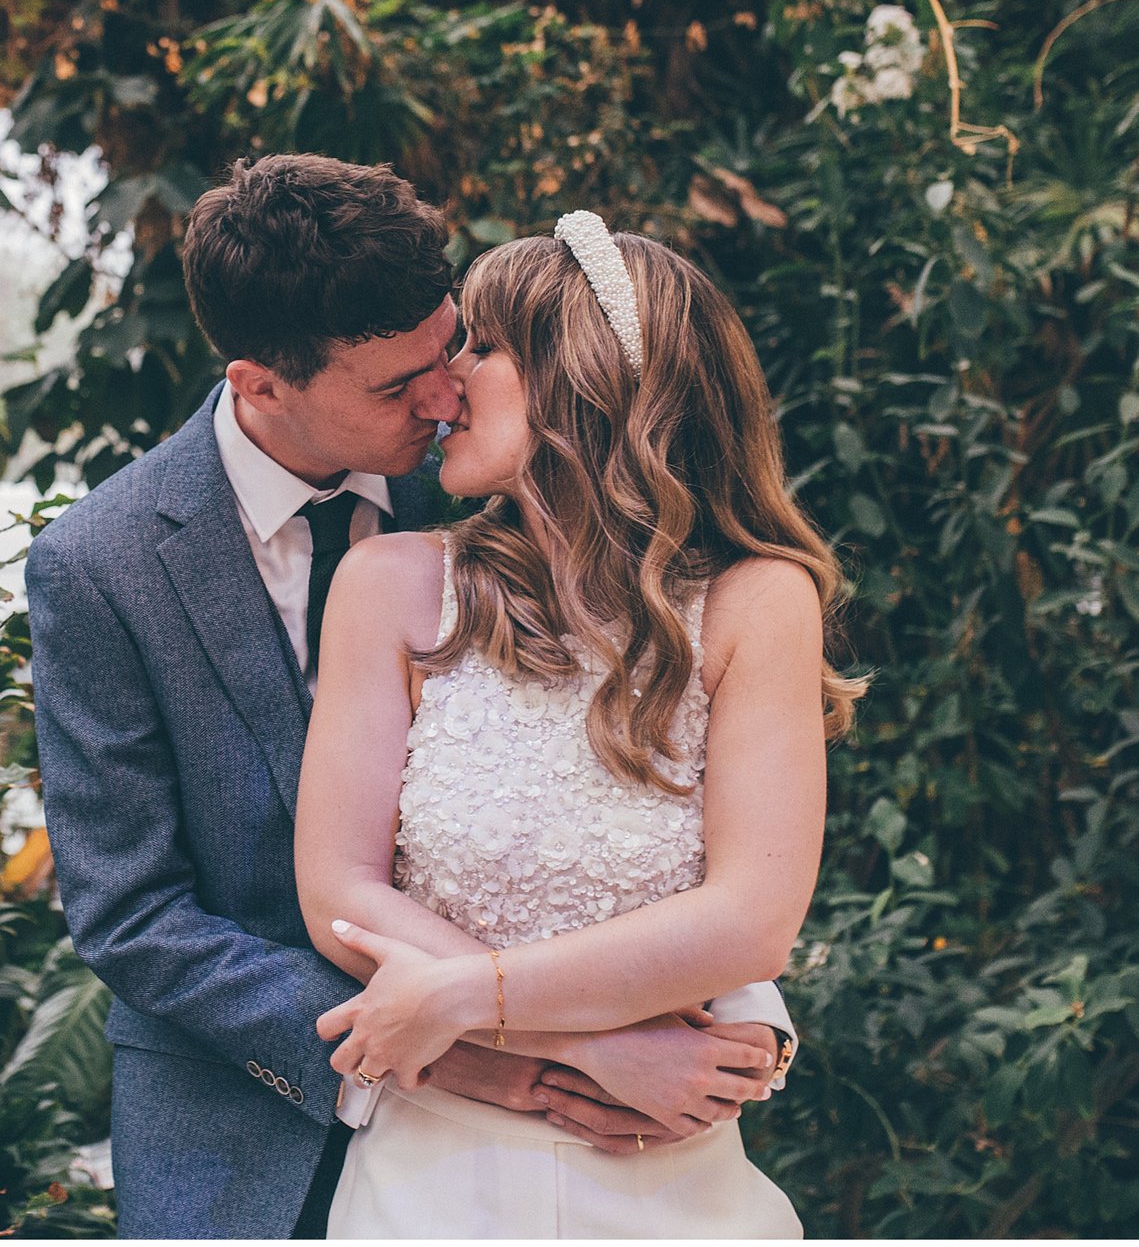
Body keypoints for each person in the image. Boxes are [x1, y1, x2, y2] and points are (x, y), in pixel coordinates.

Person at [28, 158, 798, 1239]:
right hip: (253, 1121)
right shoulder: (101, 565)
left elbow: (648, 822)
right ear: (262, 384)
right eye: (398, 388)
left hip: (626, 1131)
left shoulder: (498, 472)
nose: (441, 398)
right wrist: (538, 1045)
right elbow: (136, 914)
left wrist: (735, 1014)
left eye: (451, 353)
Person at [292, 213, 866, 1237]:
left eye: (484, 344)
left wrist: (470, 994)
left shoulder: (756, 602)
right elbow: (340, 890)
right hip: (431, 1178)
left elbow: (751, 918)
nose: (448, 377)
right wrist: (587, 1046)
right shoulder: (389, 585)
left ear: (582, 376)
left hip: (666, 1186)